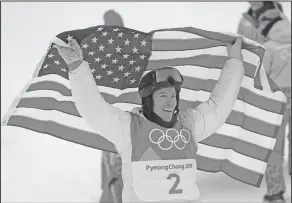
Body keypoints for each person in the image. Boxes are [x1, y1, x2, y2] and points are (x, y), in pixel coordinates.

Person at [56, 35, 244, 202]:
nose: (170, 102)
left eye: (173, 96)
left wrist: (234, 61)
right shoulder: (129, 128)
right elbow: (93, 109)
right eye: (163, 96)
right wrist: (76, 66)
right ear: (147, 101)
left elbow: (219, 106)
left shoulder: (189, 125)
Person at [238, 2, 291, 203]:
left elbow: (260, 79)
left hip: (276, 97)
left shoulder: (268, 49)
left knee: (274, 147)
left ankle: (276, 193)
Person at [99, 9, 124, 203]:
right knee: (113, 157)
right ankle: (109, 193)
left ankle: (111, 194)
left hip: (115, 113)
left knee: (114, 158)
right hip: (112, 113)